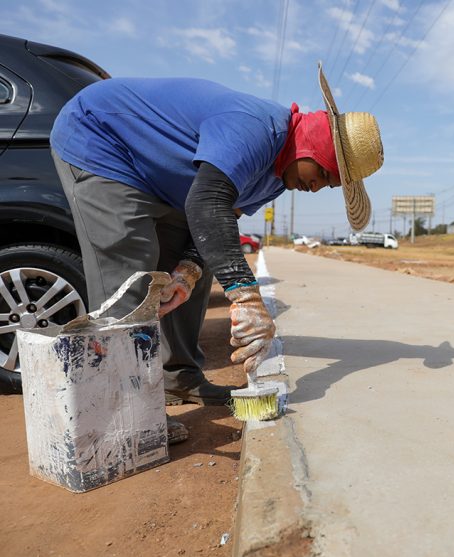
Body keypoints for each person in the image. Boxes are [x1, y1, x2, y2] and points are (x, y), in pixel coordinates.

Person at [49, 64, 383, 444]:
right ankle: (122, 414)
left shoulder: (274, 180)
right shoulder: (258, 128)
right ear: (316, 147)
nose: (318, 187)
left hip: (165, 182)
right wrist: (246, 295)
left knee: (202, 262)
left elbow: (214, 222)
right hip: (102, 143)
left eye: (331, 186)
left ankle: (179, 379)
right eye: (325, 175)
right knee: (132, 270)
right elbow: (208, 202)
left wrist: (188, 271)